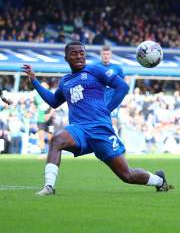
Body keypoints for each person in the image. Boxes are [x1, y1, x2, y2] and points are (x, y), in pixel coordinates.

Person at [23, 41, 171, 196]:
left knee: (127, 175)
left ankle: (159, 181)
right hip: (79, 129)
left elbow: (122, 87)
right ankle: (49, 187)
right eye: (74, 53)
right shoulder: (65, 81)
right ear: (66, 57)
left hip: (101, 129)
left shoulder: (95, 70)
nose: (79, 56)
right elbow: (54, 101)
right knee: (57, 139)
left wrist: (108, 109)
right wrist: (34, 81)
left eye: (82, 53)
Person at [99, 45, 126, 135]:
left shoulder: (117, 68)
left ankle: (115, 141)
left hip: (112, 99)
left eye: (107, 54)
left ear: (110, 55)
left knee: (113, 121)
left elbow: (123, 82)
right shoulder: (95, 67)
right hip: (98, 100)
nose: (106, 56)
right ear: (101, 55)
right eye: (104, 54)